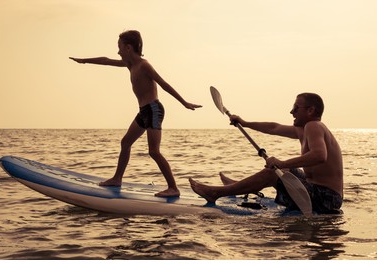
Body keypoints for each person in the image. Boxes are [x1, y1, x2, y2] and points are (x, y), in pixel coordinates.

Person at [70, 30, 202, 197]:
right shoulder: (129, 64)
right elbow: (106, 60)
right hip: (143, 111)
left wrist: (184, 103)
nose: (117, 52)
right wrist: (84, 61)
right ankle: (117, 178)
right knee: (125, 143)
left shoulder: (144, 65)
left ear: (128, 47)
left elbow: (163, 84)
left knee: (154, 151)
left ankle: (173, 188)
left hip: (154, 109)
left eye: (119, 47)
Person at [189, 93, 344, 214]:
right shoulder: (304, 129)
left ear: (310, 110)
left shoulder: (313, 126)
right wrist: (245, 123)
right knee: (283, 171)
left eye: (296, 108)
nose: (291, 112)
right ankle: (237, 186)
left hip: (327, 199)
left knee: (274, 173)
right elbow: (273, 128)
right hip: (316, 190)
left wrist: (282, 163)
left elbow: (319, 155)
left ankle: (215, 193)